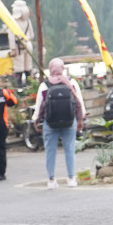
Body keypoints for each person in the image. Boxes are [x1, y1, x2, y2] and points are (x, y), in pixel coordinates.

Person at [31, 58, 86, 189]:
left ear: (50, 69)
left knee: (50, 151)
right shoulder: (71, 83)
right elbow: (79, 103)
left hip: (50, 123)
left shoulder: (45, 85)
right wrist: (80, 120)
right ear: (62, 68)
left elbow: (39, 107)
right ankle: (71, 178)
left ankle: (51, 180)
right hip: (69, 122)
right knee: (70, 149)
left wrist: (36, 121)